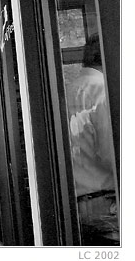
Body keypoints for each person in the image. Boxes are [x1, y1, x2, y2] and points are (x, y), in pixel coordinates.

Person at [66, 34, 117, 244]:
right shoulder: (104, 90)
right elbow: (112, 154)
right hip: (108, 205)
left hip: (74, 206)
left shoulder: (67, 92)